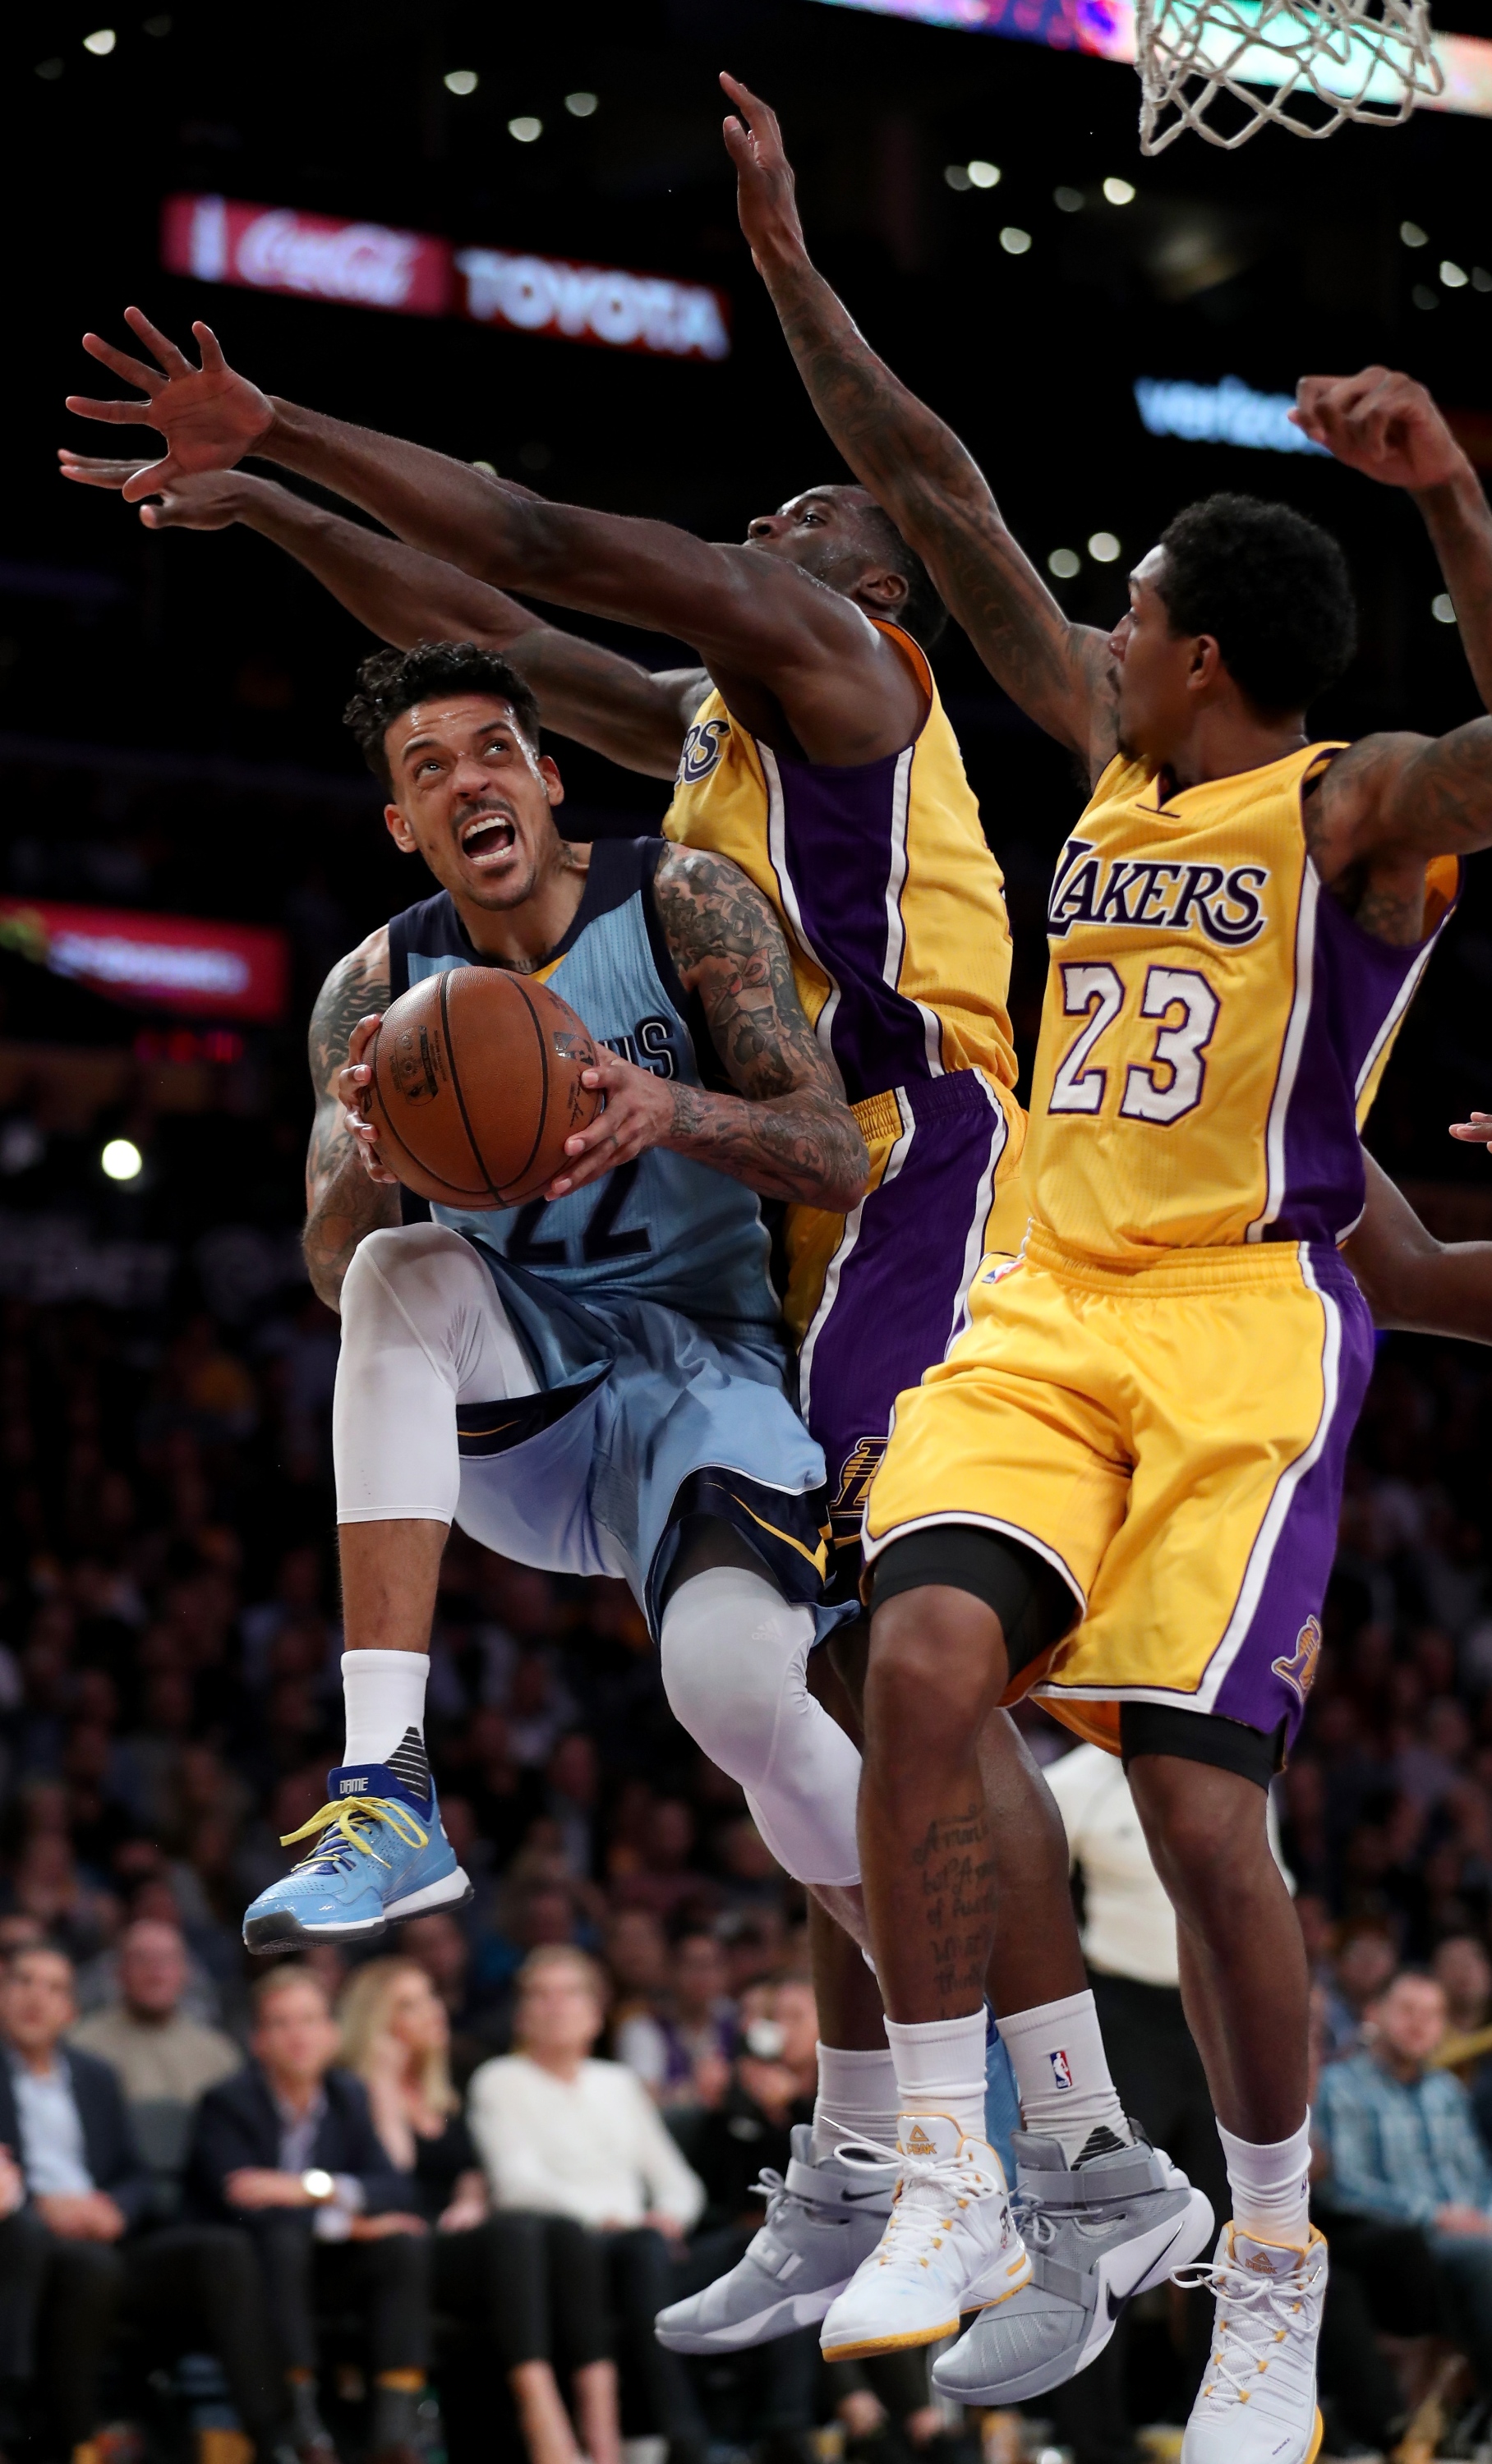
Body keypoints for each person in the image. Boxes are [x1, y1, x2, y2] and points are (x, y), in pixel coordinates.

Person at [62, 308, 1185, 2354]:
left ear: (849, 587)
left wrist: (285, 417)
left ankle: (1068, 2150)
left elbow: (528, 530)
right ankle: (875, 2160)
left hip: (916, 1170)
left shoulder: (843, 669)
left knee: (907, 1676)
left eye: (794, 524)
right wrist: (267, 515)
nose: (762, 529)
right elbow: (462, 626)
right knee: (797, 1694)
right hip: (789, 1233)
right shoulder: (692, 732)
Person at [716, 75, 1492, 2462]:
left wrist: (1450, 493)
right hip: (1039, 1310)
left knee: (1187, 1821)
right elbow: (935, 497)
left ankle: (1264, 2269)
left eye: (1129, 608)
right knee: (906, 1665)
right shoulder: (1107, 750)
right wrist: (788, 274)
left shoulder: (1341, 807)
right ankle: (966, 2163)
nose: (1094, 625)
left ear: (1200, 655)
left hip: (1238, 1339)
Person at [0, 1942, 283, 2464]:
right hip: (27, 2240)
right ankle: (71, 2441)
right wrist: (40, 2205)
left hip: (104, 2237)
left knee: (224, 2250)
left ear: (72, 2009)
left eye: (54, 1988)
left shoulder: (94, 2075)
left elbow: (133, 2173)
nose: (37, 1999)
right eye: (23, 1982)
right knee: (89, 2266)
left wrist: (115, 2208)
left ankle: (270, 2437)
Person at [338, 1957, 619, 2464]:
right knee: (516, 2234)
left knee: (557, 2233)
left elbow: (470, 2168)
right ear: (378, 2022)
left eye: (429, 1997)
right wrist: (383, 2080)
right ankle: (545, 2426)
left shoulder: (444, 2091)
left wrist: (471, 2198)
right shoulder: (353, 2094)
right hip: (404, 2251)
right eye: (409, 2005)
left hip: (458, 2242)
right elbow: (395, 2177)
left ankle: (604, 2440)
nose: (432, 2012)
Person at [466, 1945, 707, 2464]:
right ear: (522, 2013)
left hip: (641, 2237)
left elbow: (678, 2182)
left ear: (597, 2012)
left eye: (570, 1993)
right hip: (565, 2243)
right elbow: (515, 2184)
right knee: (640, 2257)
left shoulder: (618, 2083)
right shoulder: (499, 2080)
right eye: (540, 1995)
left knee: (757, 2250)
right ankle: (678, 2436)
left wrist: (670, 2216)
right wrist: (604, 2219)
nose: (555, 2007)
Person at [188, 1963, 429, 2464]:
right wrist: (344, 2218)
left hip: (326, 2266)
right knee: (281, 2240)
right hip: (251, 2271)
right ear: (258, 2040)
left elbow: (393, 2188)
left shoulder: (348, 2095)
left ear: (332, 2034)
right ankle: (301, 2428)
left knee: (401, 2247)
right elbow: (241, 2202)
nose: (297, 2035)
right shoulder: (226, 2102)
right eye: (281, 2023)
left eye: (309, 2020)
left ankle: (395, 2433)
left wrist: (306, 2189)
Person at [1314, 1971, 1492, 2407]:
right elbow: (1347, 2187)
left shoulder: (1446, 2089)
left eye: (1432, 2016)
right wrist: (1438, 2216)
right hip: (1401, 2238)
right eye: (1408, 2011)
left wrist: (1484, 2216)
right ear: (1375, 2014)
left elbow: (1478, 2172)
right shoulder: (1342, 2085)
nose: (1419, 2025)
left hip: (1470, 2228)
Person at [69, 1916, 241, 2108]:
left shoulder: (219, 2055)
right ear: (119, 1971)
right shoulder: (81, 2047)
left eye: (167, 1959)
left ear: (186, 1971)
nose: (155, 1972)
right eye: (141, 1959)